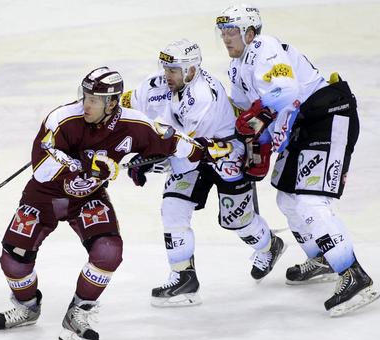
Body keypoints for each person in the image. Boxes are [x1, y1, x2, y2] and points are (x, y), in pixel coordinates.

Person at [0, 66, 231, 340]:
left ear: (112, 102)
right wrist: (83, 171)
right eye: (85, 97)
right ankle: (27, 306)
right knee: (14, 256)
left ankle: (79, 312)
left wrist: (204, 149)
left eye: (94, 100)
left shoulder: (133, 124)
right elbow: (42, 169)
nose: (86, 104)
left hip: (88, 198)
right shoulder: (62, 119)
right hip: (45, 194)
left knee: (108, 251)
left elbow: (169, 140)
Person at [215, 5, 380, 316]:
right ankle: (324, 258)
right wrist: (249, 148)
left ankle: (355, 275)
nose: (226, 37)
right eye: (222, 32)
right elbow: (246, 117)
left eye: (232, 31)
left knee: (309, 201)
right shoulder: (237, 68)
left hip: (328, 115)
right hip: (303, 127)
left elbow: (284, 91)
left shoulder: (264, 47)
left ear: (250, 32)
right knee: (287, 200)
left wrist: (257, 124)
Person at [121, 39, 286, 307]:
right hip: (192, 151)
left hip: (227, 152)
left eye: (173, 69)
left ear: (191, 69)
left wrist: (149, 161)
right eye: (166, 68)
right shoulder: (158, 84)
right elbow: (127, 106)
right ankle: (183, 277)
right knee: (173, 207)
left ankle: (270, 246)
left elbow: (185, 148)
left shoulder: (203, 96)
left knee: (237, 221)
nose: (167, 74)